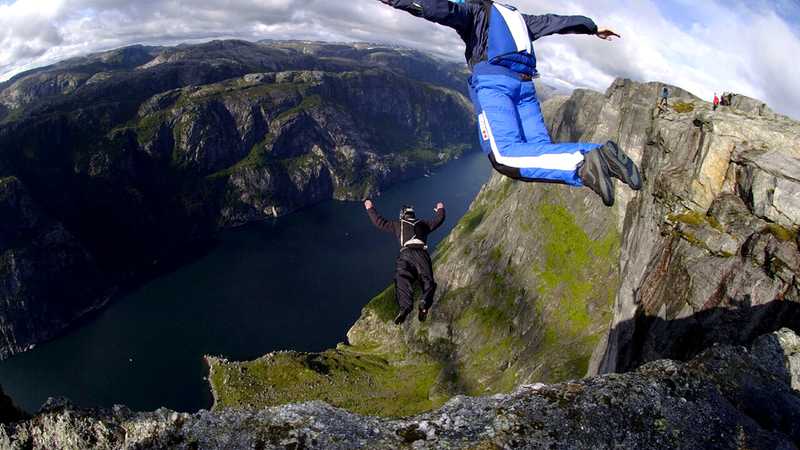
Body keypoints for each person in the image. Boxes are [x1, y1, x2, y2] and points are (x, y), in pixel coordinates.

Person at [377, 0, 641, 207]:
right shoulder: (520, 19)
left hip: (495, 86)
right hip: (525, 89)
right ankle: (601, 152)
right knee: (538, 152)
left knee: (505, 157)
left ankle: (583, 162)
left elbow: (438, 8)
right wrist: (591, 27)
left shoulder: (475, 11)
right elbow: (557, 22)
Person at [364, 199, 446, 324]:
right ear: (413, 215)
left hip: (405, 254)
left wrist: (370, 208)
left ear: (402, 215)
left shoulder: (397, 224)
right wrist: (440, 208)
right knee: (427, 281)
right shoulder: (424, 224)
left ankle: (405, 308)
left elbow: (379, 222)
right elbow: (439, 220)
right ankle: (424, 302)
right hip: (421, 254)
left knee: (402, 278)